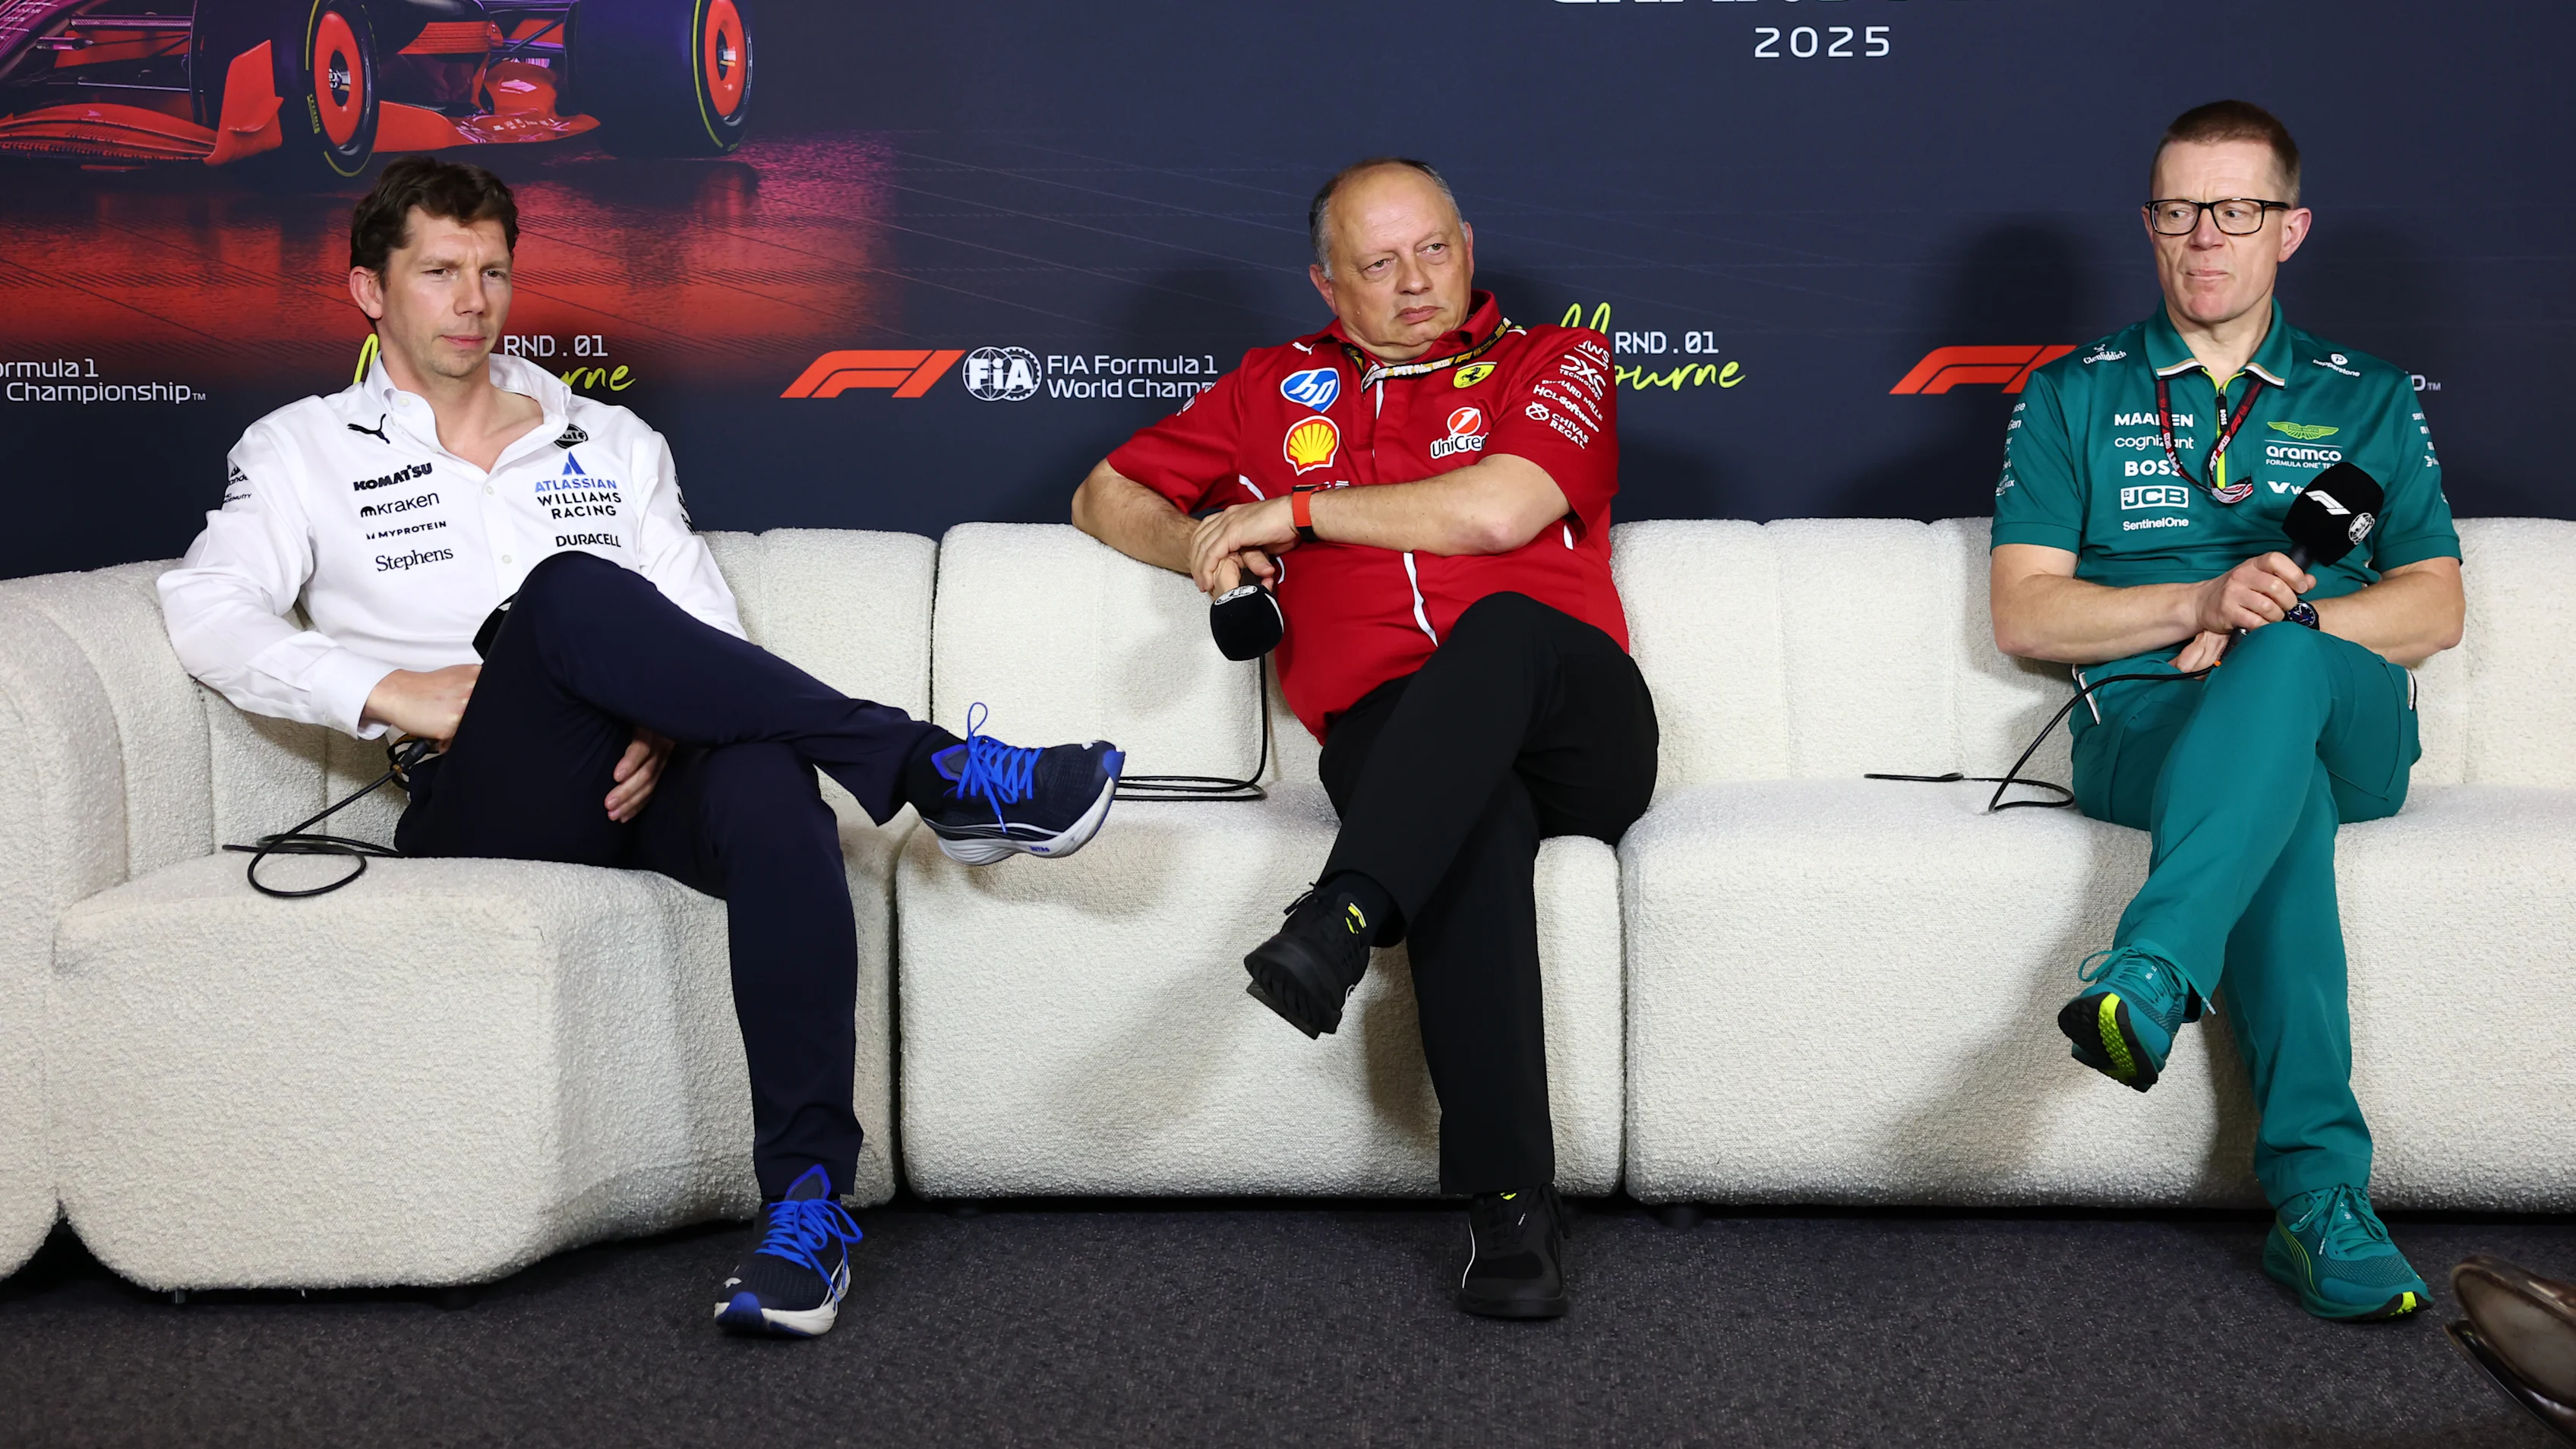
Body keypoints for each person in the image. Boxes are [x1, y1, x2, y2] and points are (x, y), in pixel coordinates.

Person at [157, 156, 1125, 1340]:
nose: (475, 300)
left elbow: (700, 626)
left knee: (773, 783)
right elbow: (206, 610)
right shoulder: (306, 447)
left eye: (495, 271)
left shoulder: (607, 438)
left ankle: (806, 1217)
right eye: (440, 272)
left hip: (638, 769)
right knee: (563, 595)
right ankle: (932, 771)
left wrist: (669, 719)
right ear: (370, 291)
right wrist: (392, 691)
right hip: (479, 793)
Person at [1072, 157, 1656, 1320]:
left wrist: (1291, 511)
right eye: (1378, 263)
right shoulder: (1269, 387)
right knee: (1465, 825)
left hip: (1572, 717)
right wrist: (1200, 545)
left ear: (1469, 245)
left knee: (1499, 629)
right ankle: (1510, 1210)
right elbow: (1103, 495)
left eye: (1432, 249)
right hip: (1393, 733)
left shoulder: (1555, 360)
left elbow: (1500, 508)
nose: (1414, 282)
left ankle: (1341, 909)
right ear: (1328, 284)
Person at [1989, 101, 2464, 1321]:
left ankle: (2151, 967)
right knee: (2279, 794)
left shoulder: (2365, 397)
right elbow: (2030, 617)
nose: (2206, 237)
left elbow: (2434, 606)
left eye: (2238, 210)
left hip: (2343, 705)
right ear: (2149, 223)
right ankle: (2318, 1200)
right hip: (2146, 727)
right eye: (2178, 210)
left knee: (2287, 674)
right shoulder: (2070, 395)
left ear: (2290, 228)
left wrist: (2274, 631)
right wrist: (2196, 598)